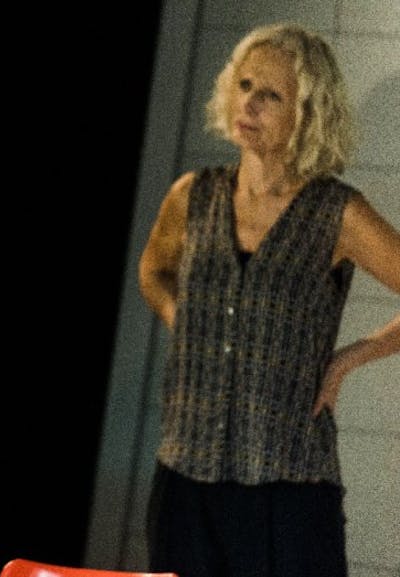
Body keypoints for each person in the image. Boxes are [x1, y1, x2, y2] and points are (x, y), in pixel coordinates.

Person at [138, 23, 400, 577]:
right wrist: (182, 318)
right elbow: (153, 270)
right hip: (185, 477)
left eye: (271, 94)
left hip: (289, 486)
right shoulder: (193, 195)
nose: (249, 103)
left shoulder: (336, 212)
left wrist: (352, 357)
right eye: (245, 84)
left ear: (307, 113)